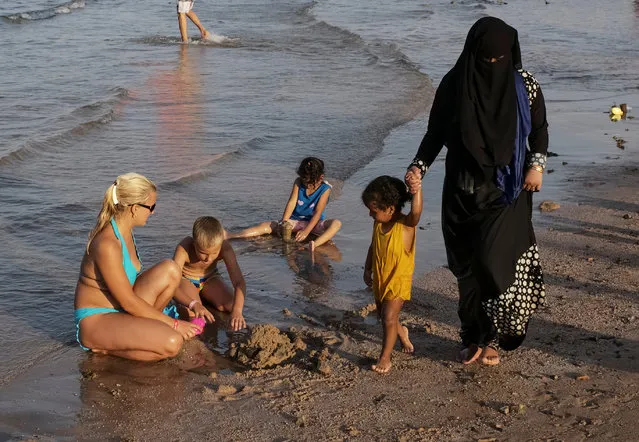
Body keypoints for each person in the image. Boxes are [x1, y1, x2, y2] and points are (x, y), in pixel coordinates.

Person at [405, 17, 548, 366]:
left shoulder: (525, 85)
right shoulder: (455, 84)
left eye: (499, 60)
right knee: (466, 269)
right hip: (461, 190)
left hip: (508, 191)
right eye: (486, 60)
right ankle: (473, 336)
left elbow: (539, 131)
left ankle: (497, 337)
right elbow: (435, 133)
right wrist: (417, 167)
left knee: (494, 264)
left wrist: (536, 166)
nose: (493, 66)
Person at [74, 173, 202, 361]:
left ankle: (145, 331)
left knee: (171, 269)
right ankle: (104, 347)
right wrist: (173, 324)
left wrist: (190, 305)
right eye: (151, 207)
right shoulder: (107, 244)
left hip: (122, 309)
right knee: (173, 343)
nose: (153, 212)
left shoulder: (126, 231)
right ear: (134, 208)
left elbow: (129, 297)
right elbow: (128, 302)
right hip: (98, 320)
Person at [362, 175, 422, 373]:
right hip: (381, 278)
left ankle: (385, 358)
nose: (371, 214)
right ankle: (402, 333)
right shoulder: (378, 224)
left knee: (388, 317)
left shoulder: (406, 225)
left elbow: (416, 213)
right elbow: (372, 246)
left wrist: (416, 191)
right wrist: (367, 268)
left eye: (373, 210)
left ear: (389, 208)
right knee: (384, 315)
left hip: (398, 281)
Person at [228, 157, 342, 253]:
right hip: (295, 222)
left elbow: (318, 212)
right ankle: (233, 235)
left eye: (309, 182)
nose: (306, 184)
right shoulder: (298, 182)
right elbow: (292, 202)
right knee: (266, 225)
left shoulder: (325, 189)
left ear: (320, 177)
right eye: (304, 180)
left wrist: (307, 231)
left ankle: (314, 244)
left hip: (314, 224)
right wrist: (284, 221)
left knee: (336, 223)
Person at [173, 216, 247, 332]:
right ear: (194, 243)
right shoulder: (184, 249)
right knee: (192, 316)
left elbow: (239, 282)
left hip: (210, 278)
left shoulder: (225, 249)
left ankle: (205, 300)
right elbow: (172, 284)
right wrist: (193, 304)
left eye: (214, 253)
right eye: (203, 253)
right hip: (186, 280)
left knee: (232, 305)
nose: (208, 259)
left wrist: (237, 311)